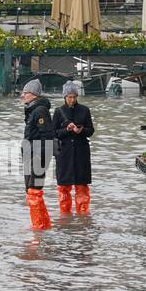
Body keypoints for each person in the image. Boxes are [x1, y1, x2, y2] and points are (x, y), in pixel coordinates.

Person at [53, 81, 95, 216]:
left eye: (74, 97)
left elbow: (91, 130)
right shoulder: (58, 112)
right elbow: (54, 133)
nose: (72, 100)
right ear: (64, 97)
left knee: (82, 186)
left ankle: (83, 216)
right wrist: (67, 129)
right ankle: (65, 216)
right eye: (69, 97)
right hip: (64, 153)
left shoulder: (85, 110)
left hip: (81, 153)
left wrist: (81, 130)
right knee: (64, 187)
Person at [21, 79, 55, 230]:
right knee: (32, 191)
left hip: (37, 157)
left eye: (25, 93)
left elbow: (47, 136)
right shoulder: (32, 110)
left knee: (33, 191)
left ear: (33, 94)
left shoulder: (39, 111)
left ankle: (38, 228)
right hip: (31, 156)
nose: (23, 95)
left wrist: (39, 158)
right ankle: (44, 224)